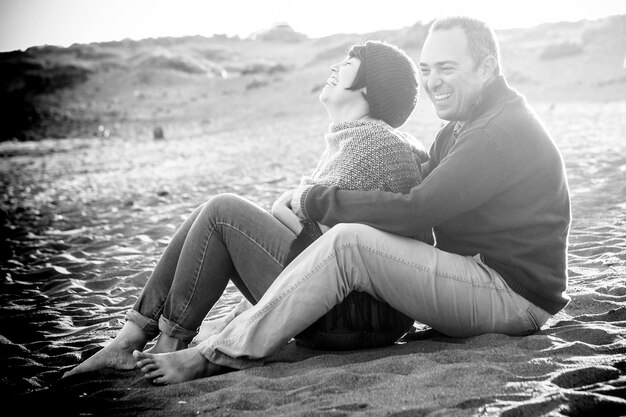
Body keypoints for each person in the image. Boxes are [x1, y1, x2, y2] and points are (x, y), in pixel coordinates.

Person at [127, 16, 571, 385]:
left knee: (349, 243)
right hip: (477, 275)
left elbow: (417, 209)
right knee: (342, 238)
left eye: (447, 68)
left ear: (487, 67)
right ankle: (144, 332)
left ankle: (213, 356)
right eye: (426, 68)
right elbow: (418, 188)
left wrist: (314, 200)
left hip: (512, 295)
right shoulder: (461, 128)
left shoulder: (497, 131)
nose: (433, 81)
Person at [63, 40, 431, 379]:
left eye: (350, 62)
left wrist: (285, 206)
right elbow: (310, 233)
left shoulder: (376, 143)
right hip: (344, 309)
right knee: (212, 211)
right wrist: (288, 208)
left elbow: (320, 243)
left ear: (368, 87)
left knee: (222, 212)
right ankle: (129, 338)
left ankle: (167, 341)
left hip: (353, 317)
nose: (336, 66)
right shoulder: (357, 136)